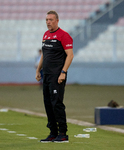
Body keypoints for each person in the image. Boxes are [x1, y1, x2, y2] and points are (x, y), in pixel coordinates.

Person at [35, 10, 74, 143]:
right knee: (48, 104)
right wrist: (38, 70)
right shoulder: (46, 35)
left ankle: (63, 134)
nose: (48, 22)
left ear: (57, 21)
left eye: (51, 20)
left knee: (56, 104)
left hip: (57, 76)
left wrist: (63, 72)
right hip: (46, 75)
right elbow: (44, 55)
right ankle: (53, 133)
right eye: (46, 20)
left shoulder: (64, 35)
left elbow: (70, 55)